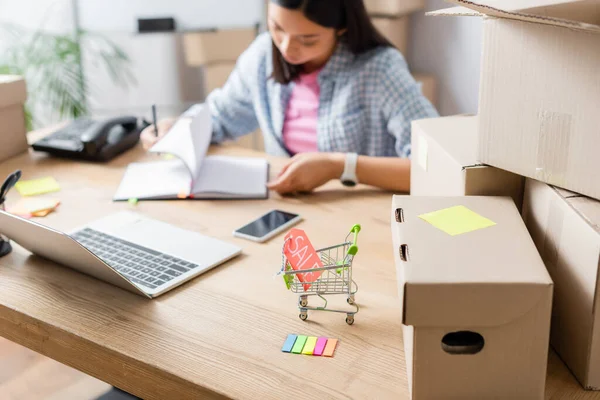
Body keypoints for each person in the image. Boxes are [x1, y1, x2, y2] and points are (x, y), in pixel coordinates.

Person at [141, 0, 438, 194]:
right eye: (277, 28)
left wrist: (341, 166)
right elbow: (220, 118)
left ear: (342, 27)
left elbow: (436, 167)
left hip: (359, 222)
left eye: (307, 39)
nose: (286, 48)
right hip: (288, 212)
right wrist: (177, 127)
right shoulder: (261, 55)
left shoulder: (380, 70)